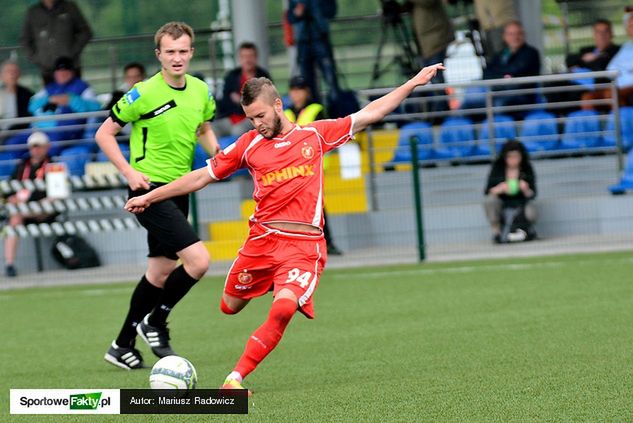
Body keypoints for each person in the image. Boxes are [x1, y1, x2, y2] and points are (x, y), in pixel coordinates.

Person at [124, 63, 445, 393]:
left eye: (261, 115)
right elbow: (201, 176)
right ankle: (272, 283)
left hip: (303, 247)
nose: (257, 124)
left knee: (283, 308)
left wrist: (413, 82)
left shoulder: (314, 135)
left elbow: (371, 113)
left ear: (278, 105)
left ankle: (234, 379)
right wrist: (151, 196)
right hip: (262, 242)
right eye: (251, 118)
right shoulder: (248, 144)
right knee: (229, 306)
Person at [95, 22, 220, 370]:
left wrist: (219, 154)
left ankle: (121, 344)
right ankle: (156, 321)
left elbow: (204, 128)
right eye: (170, 52)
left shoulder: (200, 91)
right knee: (198, 262)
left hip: (180, 190)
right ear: (159, 55)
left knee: (160, 271)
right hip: (148, 191)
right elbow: (104, 134)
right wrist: (129, 172)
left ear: (192, 52)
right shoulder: (142, 93)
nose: (177, 58)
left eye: (183, 51)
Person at [284, 75, 342, 255]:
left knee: (315, 205)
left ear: (307, 92)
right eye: (294, 90)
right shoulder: (285, 113)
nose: (296, 94)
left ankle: (326, 242)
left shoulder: (316, 110)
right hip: (292, 169)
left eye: (300, 90)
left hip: (313, 167)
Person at [4, 132, 56, 277]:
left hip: (45, 209)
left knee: (17, 214)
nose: (36, 150)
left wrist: (37, 204)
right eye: (33, 147)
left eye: (39, 146)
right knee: (14, 219)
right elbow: (9, 191)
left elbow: (56, 195)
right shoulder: (22, 165)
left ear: (47, 147)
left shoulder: (53, 165)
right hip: (24, 210)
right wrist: (12, 199)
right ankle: (9, 264)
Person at [28, 56, 101, 154]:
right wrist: (50, 99)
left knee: (51, 143)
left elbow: (96, 108)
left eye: (66, 70)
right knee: (18, 141)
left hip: (72, 130)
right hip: (47, 128)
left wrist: (71, 100)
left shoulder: (82, 87)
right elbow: (32, 106)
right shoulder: (50, 88)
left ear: (72, 72)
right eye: (58, 70)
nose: (62, 73)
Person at [20, 0, 93, 84]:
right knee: (51, 96)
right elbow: (25, 39)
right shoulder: (33, 12)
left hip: (70, 66)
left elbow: (85, 32)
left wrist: (72, 52)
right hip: (47, 68)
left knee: (74, 95)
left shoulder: (70, 7)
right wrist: (37, 58)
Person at [484, 139, 537, 244]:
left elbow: (533, 194)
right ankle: (497, 232)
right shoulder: (497, 168)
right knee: (489, 200)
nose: (513, 159)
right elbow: (488, 190)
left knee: (532, 210)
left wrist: (525, 189)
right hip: (503, 201)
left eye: (516, 156)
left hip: (521, 202)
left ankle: (525, 230)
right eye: (510, 156)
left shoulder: (527, 168)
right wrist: (500, 188)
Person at [288, 0, 340, 103]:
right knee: (307, 81)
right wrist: (297, 13)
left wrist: (318, 10)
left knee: (330, 79)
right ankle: (314, 109)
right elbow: (290, 17)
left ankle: (336, 109)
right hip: (303, 41)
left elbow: (332, 11)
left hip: (320, 37)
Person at [214, 42, 271, 137]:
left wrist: (240, 100)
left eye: (250, 56)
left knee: (237, 131)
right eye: (244, 56)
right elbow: (224, 102)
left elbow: (265, 103)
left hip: (252, 118)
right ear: (239, 59)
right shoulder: (231, 76)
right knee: (212, 128)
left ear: (256, 58)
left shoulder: (263, 77)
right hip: (230, 118)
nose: (247, 60)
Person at [582, 13, 633, 110]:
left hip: (629, 86)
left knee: (611, 95)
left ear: (611, 33)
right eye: (631, 26)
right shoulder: (626, 47)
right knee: (587, 98)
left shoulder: (616, 49)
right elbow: (612, 69)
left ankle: (622, 122)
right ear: (627, 30)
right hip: (618, 86)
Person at [0, 61, 33, 133]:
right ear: (1, 75)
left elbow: (26, 119)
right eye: (8, 71)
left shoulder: (26, 94)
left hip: (18, 132)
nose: (12, 74)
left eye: (15, 71)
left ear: (19, 74)